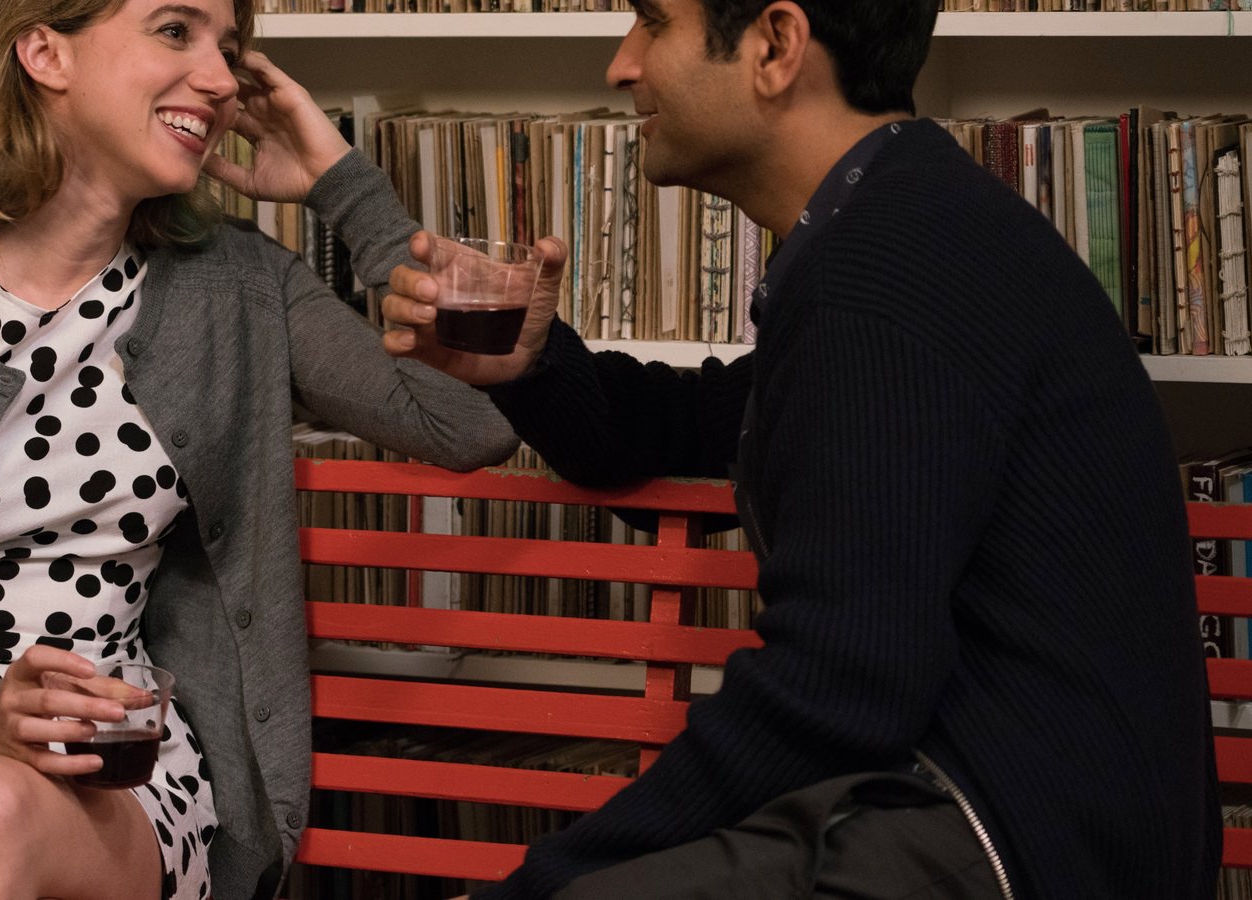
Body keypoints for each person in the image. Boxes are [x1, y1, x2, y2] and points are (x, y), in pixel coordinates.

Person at [0, 0, 516, 896]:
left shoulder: (240, 286)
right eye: (175, 31)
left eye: (229, 49)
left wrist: (343, 183)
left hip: (112, 762)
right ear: (43, 51)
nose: (224, 80)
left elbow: (472, 422)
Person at [382, 1, 1217, 898]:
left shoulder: (885, 275)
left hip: (1017, 846)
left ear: (776, 46)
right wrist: (530, 364)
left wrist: (541, 881)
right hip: (993, 818)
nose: (621, 65)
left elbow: (839, 689)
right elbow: (679, 426)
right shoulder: (904, 221)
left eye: (653, 23)